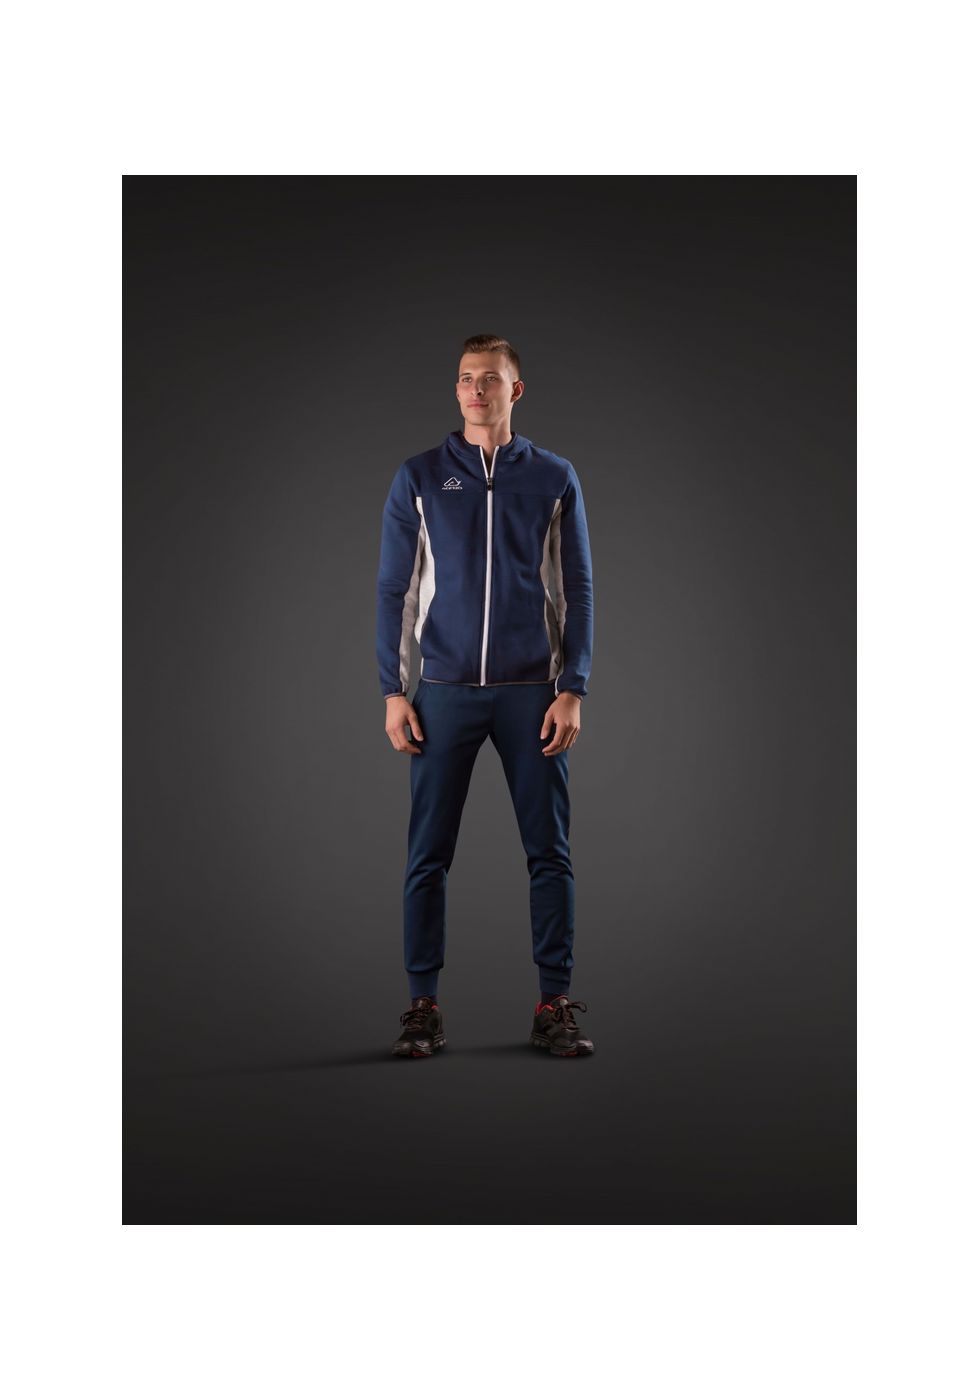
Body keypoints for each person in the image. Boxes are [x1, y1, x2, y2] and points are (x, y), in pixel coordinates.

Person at [376, 334, 595, 1058]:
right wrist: (393, 690)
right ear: (457, 390)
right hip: (442, 693)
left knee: (549, 852)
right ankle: (422, 1007)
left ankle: (554, 1003)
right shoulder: (419, 476)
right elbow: (396, 589)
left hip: (533, 694)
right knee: (427, 853)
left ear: (515, 390)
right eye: (467, 378)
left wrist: (573, 687)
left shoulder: (555, 477)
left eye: (491, 379)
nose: (477, 389)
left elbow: (577, 587)